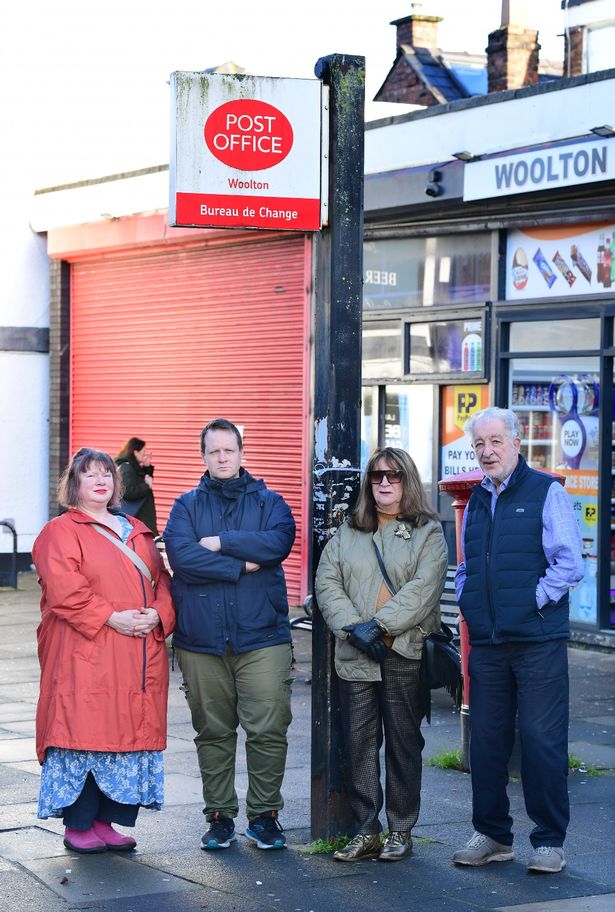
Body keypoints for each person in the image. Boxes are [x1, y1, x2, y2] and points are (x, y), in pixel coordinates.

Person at [453, 407, 583, 874]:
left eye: (495, 442)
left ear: (516, 442)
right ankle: (491, 835)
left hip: (537, 640)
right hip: (487, 641)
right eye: (479, 445)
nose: (487, 452)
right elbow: (468, 563)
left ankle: (549, 841)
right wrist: (468, 597)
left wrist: (532, 600)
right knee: (486, 742)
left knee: (541, 739)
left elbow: (570, 563)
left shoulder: (546, 490)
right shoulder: (478, 498)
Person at [33, 447, 175, 854]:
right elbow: (65, 589)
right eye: (90, 475)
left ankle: (105, 821)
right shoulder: (59, 532)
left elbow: (162, 580)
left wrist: (157, 615)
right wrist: (111, 617)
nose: (101, 481)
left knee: (124, 736)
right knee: (84, 734)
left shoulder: (136, 528)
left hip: (136, 653)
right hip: (86, 651)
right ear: (74, 484)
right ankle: (78, 824)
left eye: (107, 475)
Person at [164, 418, 296, 852]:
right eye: (213, 451)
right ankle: (219, 816)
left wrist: (221, 542)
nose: (222, 458)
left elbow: (277, 543)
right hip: (201, 641)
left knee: (268, 729)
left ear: (241, 453)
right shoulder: (185, 506)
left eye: (229, 450)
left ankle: (264, 817)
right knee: (213, 732)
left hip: (262, 638)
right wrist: (240, 565)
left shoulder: (269, 502)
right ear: (203, 456)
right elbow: (181, 556)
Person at [315, 447, 448, 862]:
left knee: (404, 745)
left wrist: (379, 626)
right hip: (356, 654)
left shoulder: (429, 531)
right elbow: (326, 582)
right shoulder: (349, 531)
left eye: (393, 476)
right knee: (359, 745)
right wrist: (355, 629)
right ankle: (366, 829)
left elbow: (424, 590)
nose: (384, 483)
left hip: (402, 653)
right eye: (376, 476)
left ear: (408, 480)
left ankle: (402, 830)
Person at [115, 437, 159, 535]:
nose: (145, 453)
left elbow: (139, 479)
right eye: (143, 451)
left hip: (140, 516)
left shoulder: (134, 466)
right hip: (137, 517)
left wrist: (147, 467)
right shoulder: (127, 468)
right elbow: (128, 491)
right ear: (135, 452)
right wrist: (147, 485)